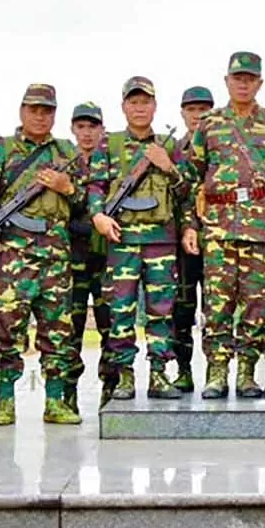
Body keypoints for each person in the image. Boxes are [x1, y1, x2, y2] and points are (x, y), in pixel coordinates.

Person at [0, 84, 81, 424]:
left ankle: (56, 402)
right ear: (21, 111)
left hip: (56, 256)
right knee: (4, 328)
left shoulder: (65, 150)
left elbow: (87, 202)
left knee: (58, 330)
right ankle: (5, 402)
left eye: (47, 110)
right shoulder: (1, 148)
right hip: (13, 255)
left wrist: (66, 188)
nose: (40, 116)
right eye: (34, 109)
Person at [180, 52, 265, 399]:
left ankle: (246, 372)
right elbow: (190, 178)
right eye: (237, 78)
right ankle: (215, 371)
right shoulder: (209, 124)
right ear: (226, 81)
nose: (243, 83)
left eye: (250, 78)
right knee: (216, 303)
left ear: (259, 83)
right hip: (219, 228)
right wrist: (190, 225)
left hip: (260, 228)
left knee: (257, 303)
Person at [89, 77, 187, 401]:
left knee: (162, 310)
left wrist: (169, 168)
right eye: (133, 102)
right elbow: (95, 187)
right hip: (122, 241)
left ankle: (159, 374)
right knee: (121, 310)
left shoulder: (169, 146)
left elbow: (187, 192)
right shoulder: (110, 144)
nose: (140, 107)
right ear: (123, 107)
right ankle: (124, 376)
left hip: (161, 241)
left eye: (145, 102)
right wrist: (98, 216)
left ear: (155, 106)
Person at [65, 102, 118, 403]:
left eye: (93, 127)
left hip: (106, 256)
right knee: (69, 325)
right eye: (81, 127)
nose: (87, 133)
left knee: (109, 322)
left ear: (102, 129)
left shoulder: (112, 162)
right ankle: (68, 389)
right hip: (71, 255)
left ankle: (110, 386)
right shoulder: (64, 163)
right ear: (73, 129)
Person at [170, 86, 215, 392]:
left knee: (216, 308)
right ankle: (183, 369)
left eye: (203, 109)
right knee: (181, 308)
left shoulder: (223, 146)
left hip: (217, 239)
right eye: (192, 110)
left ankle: (216, 371)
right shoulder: (172, 150)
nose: (198, 115)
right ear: (182, 113)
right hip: (181, 242)